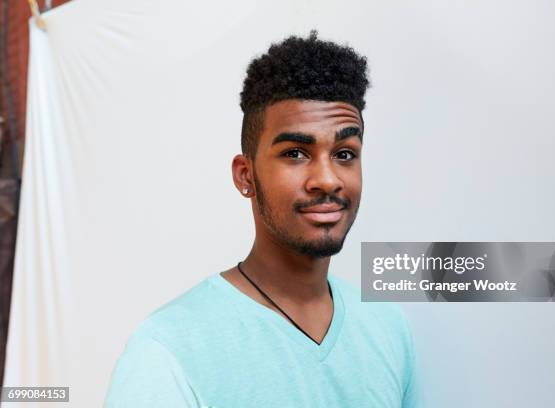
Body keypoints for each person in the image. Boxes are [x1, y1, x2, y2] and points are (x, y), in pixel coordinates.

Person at [105, 31, 420, 407]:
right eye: (296, 153)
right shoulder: (166, 350)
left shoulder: (388, 326)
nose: (327, 179)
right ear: (246, 176)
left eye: (345, 153)